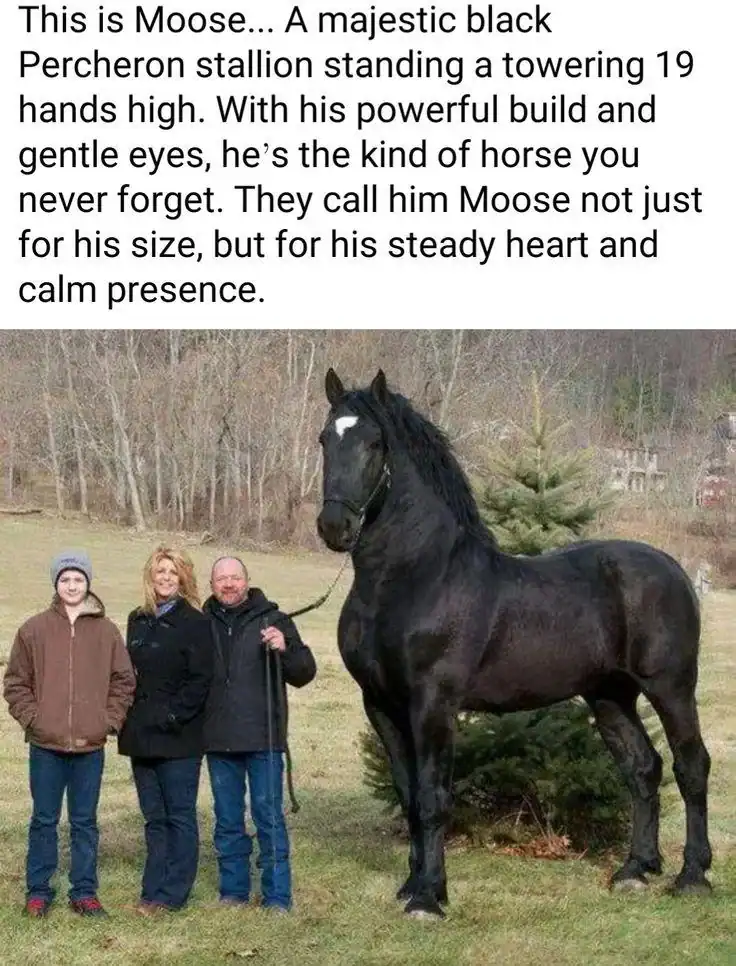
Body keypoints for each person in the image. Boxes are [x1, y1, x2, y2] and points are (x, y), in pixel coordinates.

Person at [3, 550, 136, 919]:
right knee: (44, 819)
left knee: (84, 822)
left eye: (78, 579)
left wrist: (108, 721)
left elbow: (124, 681)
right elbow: (15, 683)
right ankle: (38, 891)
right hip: (46, 745)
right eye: (65, 579)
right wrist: (35, 720)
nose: (72, 585)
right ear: (56, 584)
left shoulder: (107, 631)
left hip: (90, 746)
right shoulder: (34, 629)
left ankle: (84, 892)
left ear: (88, 583)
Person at [203, 556, 317, 911]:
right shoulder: (201, 622)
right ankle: (233, 892)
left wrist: (285, 648)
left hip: (264, 739)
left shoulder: (274, 619)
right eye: (221, 579)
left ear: (247, 581)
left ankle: (277, 896)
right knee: (227, 819)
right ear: (212, 585)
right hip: (219, 740)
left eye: (235, 578)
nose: (229, 584)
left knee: (268, 816)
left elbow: (304, 672)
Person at [118, 546, 213, 916]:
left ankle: (173, 894)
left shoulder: (195, 622)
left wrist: (173, 716)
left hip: (179, 737)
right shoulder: (137, 619)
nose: (166, 578)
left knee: (179, 815)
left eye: (173, 572)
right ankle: (151, 888)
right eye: (160, 571)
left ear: (183, 577)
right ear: (150, 576)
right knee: (154, 817)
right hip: (141, 735)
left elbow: (201, 679)